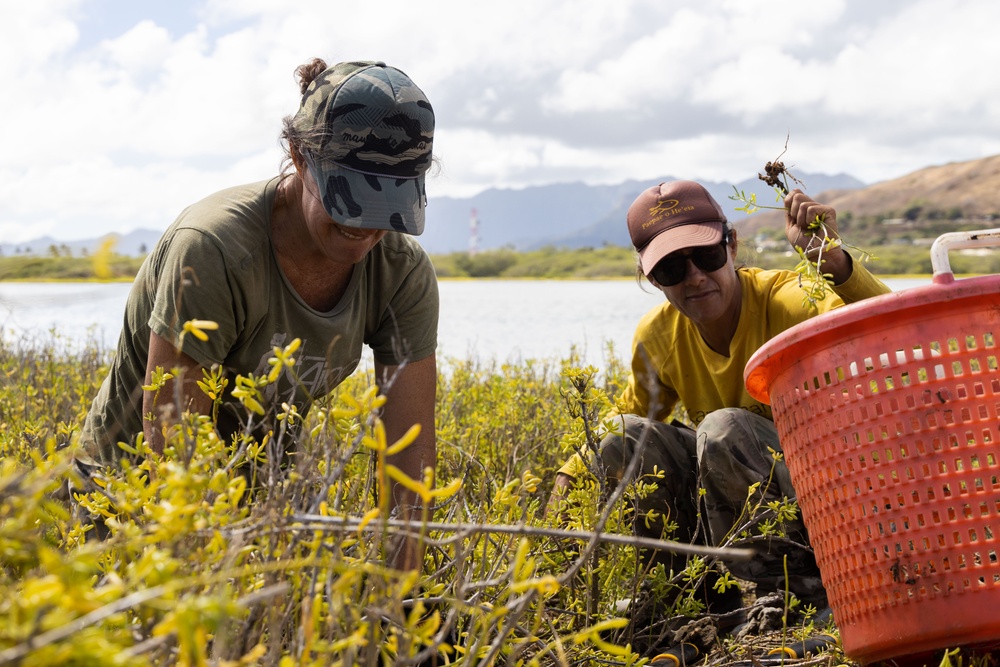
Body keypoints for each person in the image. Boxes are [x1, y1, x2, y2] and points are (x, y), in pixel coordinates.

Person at [77, 59, 438, 570]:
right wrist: (204, 582)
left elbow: (409, 454)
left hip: (261, 509)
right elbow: (174, 454)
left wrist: (402, 601)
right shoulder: (212, 249)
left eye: (389, 205)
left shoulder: (400, 272)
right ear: (298, 155)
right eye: (352, 198)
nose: (368, 227)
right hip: (123, 501)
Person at [548, 180, 890, 638]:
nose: (694, 277)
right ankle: (688, 598)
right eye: (671, 267)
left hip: (823, 507)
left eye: (705, 256)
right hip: (728, 523)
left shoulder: (787, 301)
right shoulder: (658, 336)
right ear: (651, 278)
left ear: (731, 246)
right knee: (623, 440)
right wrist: (564, 489)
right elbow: (624, 423)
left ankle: (795, 597)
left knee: (725, 428)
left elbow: (889, 335)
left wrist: (835, 263)